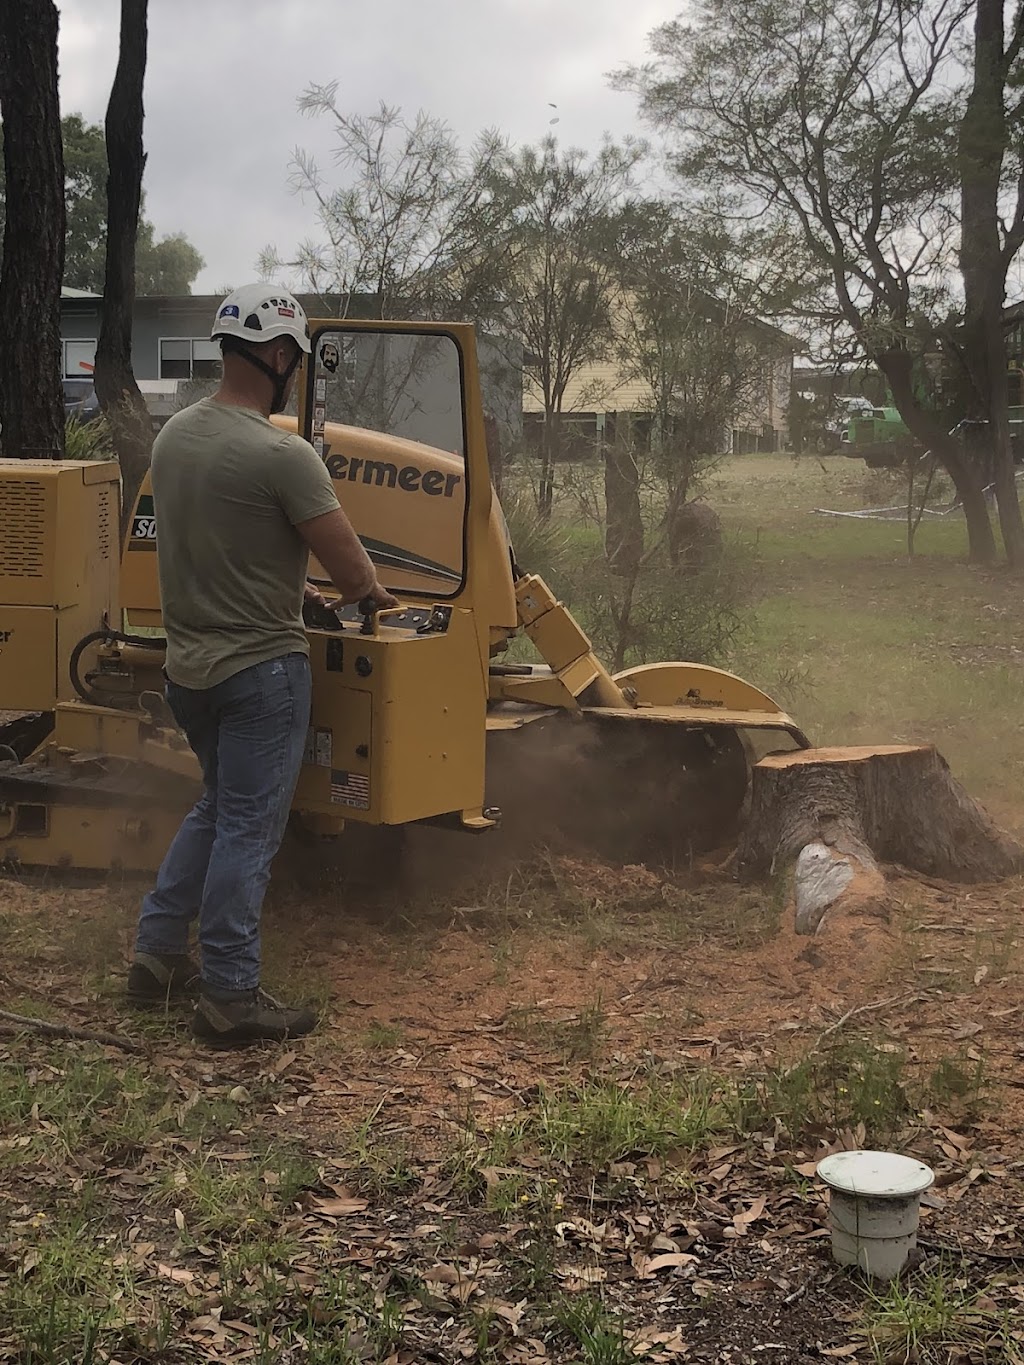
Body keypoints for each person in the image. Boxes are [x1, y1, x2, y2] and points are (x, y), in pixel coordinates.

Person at [126, 284, 397, 1046]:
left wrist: (289, 578)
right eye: (296, 359)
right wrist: (372, 590)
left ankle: (154, 955)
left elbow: (225, 541)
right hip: (260, 675)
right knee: (249, 825)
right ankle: (230, 993)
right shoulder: (286, 454)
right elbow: (353, 574)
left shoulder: (174, 436)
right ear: (279, 356)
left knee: (216, 806)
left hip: (190, 672)